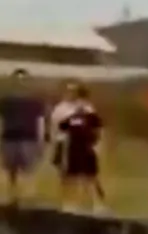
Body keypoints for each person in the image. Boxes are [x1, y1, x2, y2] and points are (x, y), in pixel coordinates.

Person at [56, 81, 105, 208]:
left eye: (82, 100)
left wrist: (97, 144)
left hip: (88, 149)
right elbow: (62, 128)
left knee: (90, 178)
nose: (80, 104)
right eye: (78, 101)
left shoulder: (91, 115)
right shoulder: (72, 116)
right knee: (72, 177)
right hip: (73, 149)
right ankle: (70, 204)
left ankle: (96, 204)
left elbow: (99, 129)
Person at [0, 68, 46, 205]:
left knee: (28, 170)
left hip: (29, 138)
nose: (20, 82)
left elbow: (40, 122)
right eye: (18, 79)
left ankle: (28, 200)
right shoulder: (4, 101)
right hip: (9, 138)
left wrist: (41, 140)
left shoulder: (36, 102)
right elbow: (0, 120)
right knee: (10, 171)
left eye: (23, 79)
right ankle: (12, 198)